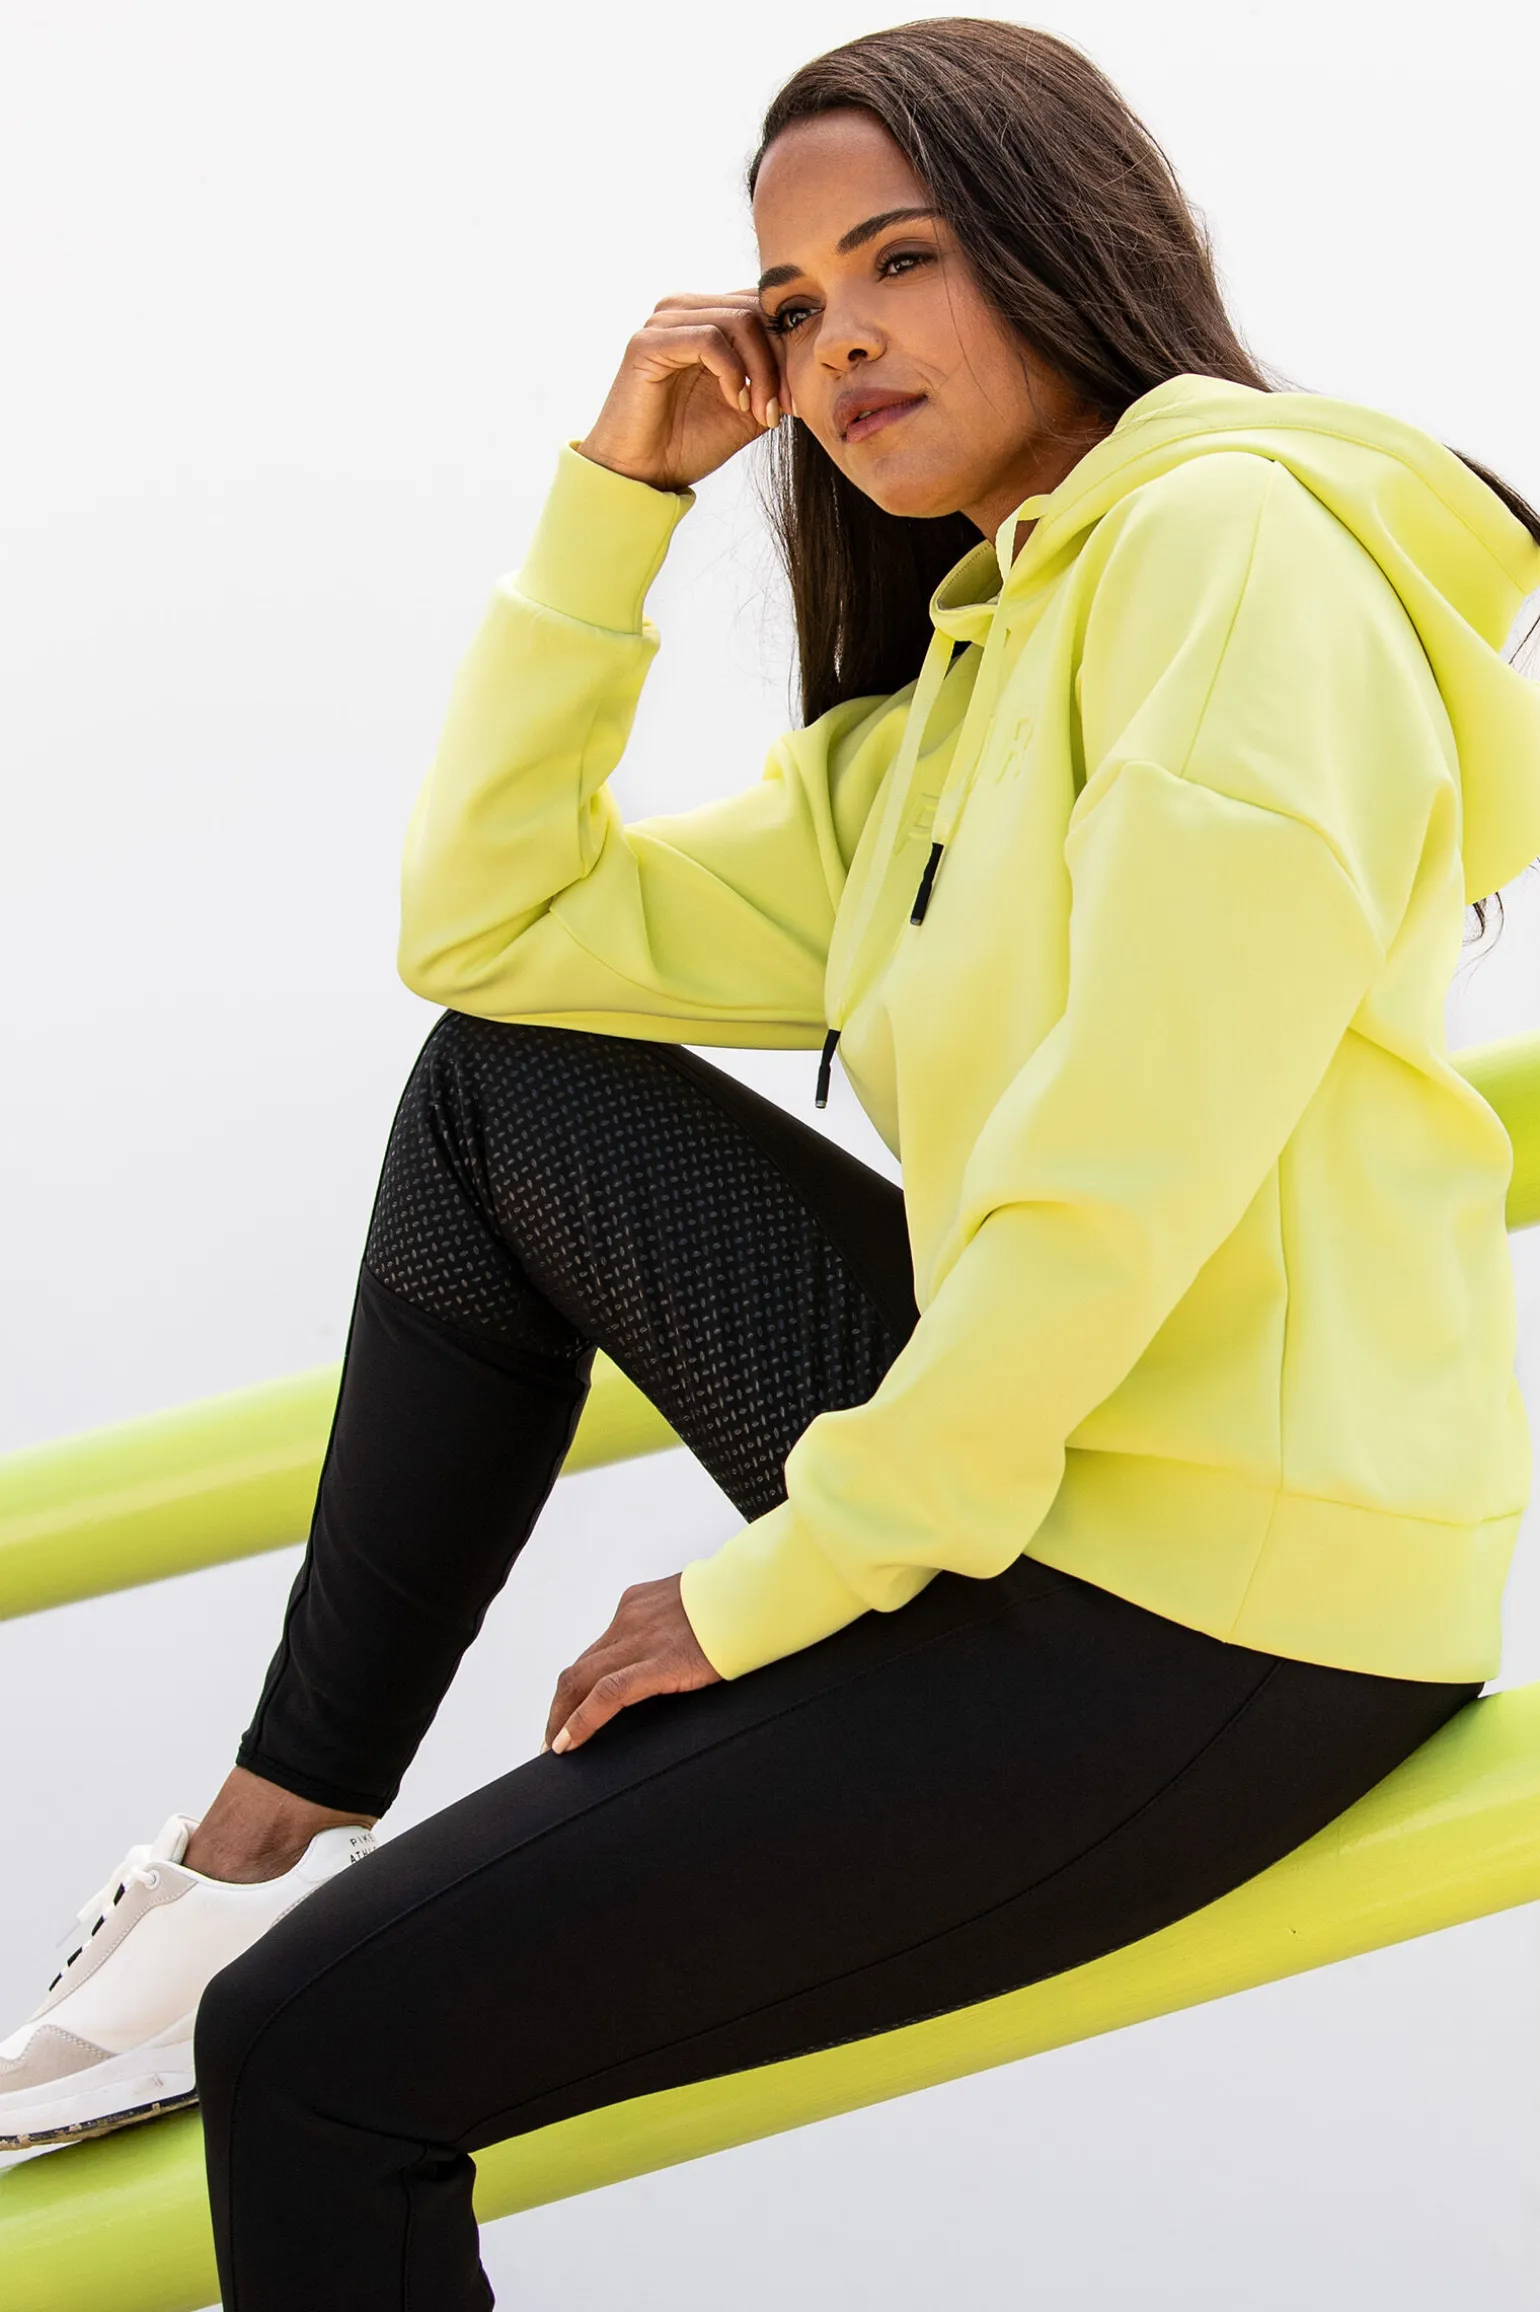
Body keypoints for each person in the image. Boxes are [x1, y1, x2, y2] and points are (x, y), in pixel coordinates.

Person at [4, 17, 1539, 2304]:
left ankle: (259, 1916)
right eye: (796, 304)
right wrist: (613, 495)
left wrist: (765, 1588)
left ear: (1063, 242)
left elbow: (1116, 1170)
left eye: (901, 262)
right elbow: (493, 931)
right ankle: (263, 1826)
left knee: (315, 2057)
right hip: (1039, 1504)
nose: (838, 346)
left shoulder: (1230, 547)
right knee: (505, 1085)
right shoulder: (947, 710)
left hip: (1212, 1602)